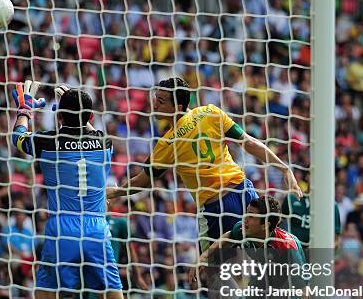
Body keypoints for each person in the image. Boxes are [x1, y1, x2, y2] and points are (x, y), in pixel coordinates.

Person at [11, 81, 154, 299]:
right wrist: (68, 103)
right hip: (97, 229)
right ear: (90, 114)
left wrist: (26, 108)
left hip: (61, 229)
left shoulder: (47, 140)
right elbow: (85, 124)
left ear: (59, 116)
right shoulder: (104, 140)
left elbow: (18, 138)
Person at [107, 77, 302, 253]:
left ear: (179, 106)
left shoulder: (167, 143)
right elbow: (249, 143)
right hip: (245, 195)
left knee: (211, 273)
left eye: (161, 101)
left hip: (215, 209)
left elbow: (143, 180)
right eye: (155, 98)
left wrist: (116, 192)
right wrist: (284, 168)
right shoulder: (211, 112)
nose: (154, 104)